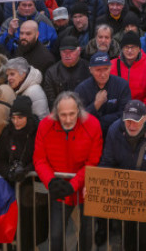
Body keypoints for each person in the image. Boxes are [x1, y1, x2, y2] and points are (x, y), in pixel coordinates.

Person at [33, 91, 104, 251]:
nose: (67, 119)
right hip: (59, 187)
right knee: (56, 234)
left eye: (72, 114)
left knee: (88, 232)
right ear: (55, 113)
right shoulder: (45, 125)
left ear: (78, 110)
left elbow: (93, 161)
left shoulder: (92, 125)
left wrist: (73, 185)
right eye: (63, 115)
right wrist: (51, 182)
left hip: (86, 187)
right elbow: (39, 159)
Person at [98, 100, 146, 251]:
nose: (131, 125)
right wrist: (95, 185)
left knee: (145, 235)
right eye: (127, 120)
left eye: (135, 121)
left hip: (145, 191)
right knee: (125, 233)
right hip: (123, 191)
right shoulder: (114, 130)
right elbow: (106, 162)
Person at [0, 97, 47, 248]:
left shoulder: (37, 131)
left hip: (33, 191)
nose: (16, 122)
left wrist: (26, 171)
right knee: (13, 229)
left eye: (20, 117)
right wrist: (9, 172)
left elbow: (42, 157)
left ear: (28, 116)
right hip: (12, 190)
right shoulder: (7, 132)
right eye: (13, 118)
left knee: (31, 231)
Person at [75, 51, 131, 133]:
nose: (103, 74)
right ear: (91, 70)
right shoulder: (82, 89)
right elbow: (78, 119)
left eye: (106, 69)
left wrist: (100, 121)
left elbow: (125, 113)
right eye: (98, 70)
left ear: (110, 68)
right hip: (90, 132)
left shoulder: (122, 85)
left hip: (116, 131)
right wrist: (96, 105)